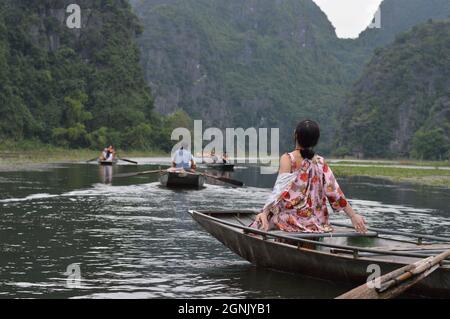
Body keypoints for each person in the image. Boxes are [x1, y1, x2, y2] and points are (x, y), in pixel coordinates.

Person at [251, 120, 367, 234]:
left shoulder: (288, 159)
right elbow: (335, 193)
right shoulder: (320, 162)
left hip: (291, 220)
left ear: (295, 135)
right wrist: (353, 216)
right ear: (315, 141)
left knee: (258, 223)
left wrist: (264, 213)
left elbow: (278, 191)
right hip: (317, 223)